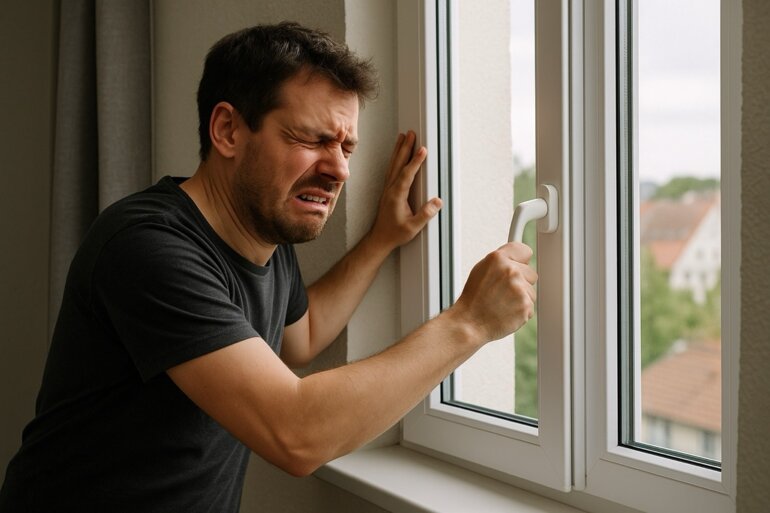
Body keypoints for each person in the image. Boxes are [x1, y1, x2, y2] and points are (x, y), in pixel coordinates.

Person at [0, 22, 537, 512]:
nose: (340, 169)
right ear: (228, 130)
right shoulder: (146, 246)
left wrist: (380, 241)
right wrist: (469, 322)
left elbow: (300, 337)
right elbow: (296, 434)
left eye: (346, 146)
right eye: (312, 139)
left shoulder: (264, 230)